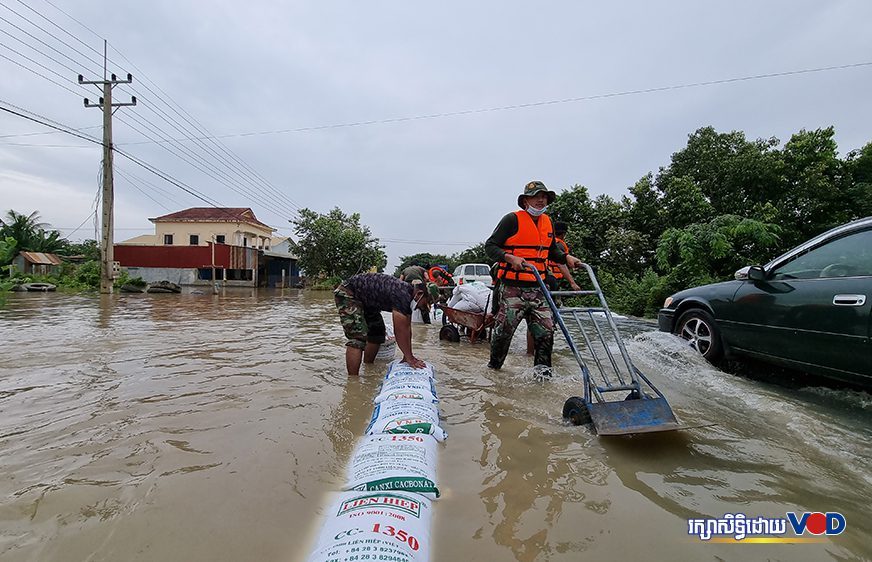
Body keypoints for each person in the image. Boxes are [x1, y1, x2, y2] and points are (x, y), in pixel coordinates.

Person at [485, 180, 582, 372]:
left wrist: (566, 257)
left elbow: (552, 250)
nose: (540, 200)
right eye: (535, 196)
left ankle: (542, 376)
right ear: (525, 201)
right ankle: (494, 370)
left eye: (544, 196)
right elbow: (490, 246)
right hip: (513, 288)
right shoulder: (511, 220)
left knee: (546, 332)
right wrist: (509, 257)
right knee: (504, 332)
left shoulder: (548, 222)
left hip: (539, 288)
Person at [334, 273, 429, 376]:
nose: (426, 307)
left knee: (377, 332)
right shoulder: (402, 295)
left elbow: (407, 328)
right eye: (427, 302)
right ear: (419, 293)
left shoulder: (408, 296)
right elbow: (399, 330)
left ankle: (368, 367)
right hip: (349, 293)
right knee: (357, 337)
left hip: (368, 300)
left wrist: (408, 356)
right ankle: (353, 381)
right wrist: (410, 358)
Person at [527, 221, 581, 354]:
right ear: (563, 234)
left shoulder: (545, 243)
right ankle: (543, 351)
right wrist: (572, 282)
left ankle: (530, 353)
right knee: (549, 319)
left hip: (540, 282)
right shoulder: (559, 246)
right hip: (551, 283)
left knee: (534, 319)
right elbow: (561, 264)